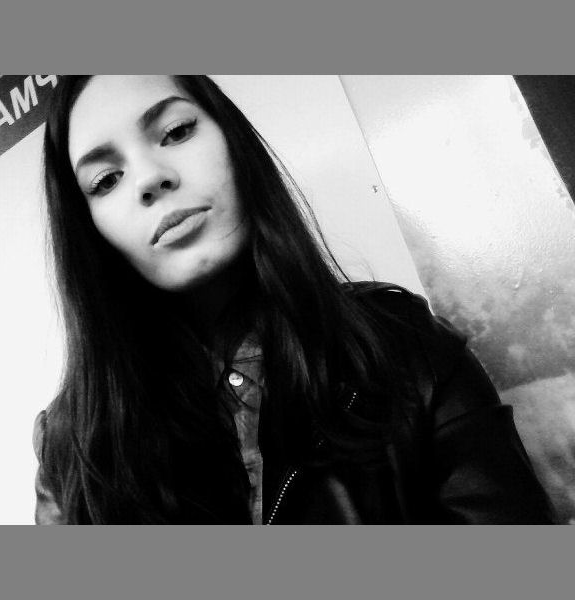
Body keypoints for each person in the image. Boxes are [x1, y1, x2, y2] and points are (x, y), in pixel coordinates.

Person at [33, 75, 555, 524]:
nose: (150, 177)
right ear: (89, 230)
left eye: (176, 132)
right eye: (106, 180)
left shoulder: (408, 349)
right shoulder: (71, 445)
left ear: (234, 143)